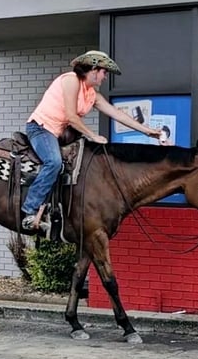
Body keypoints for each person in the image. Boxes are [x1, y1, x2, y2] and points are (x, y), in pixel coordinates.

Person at [21, 50, 162, 232]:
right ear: (94, 69)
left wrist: (147, 131)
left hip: (59, 134)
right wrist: (93, 135)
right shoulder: (71, 80)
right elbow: (71, 116)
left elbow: (116, 113)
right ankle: (29, 210)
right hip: (40, 128)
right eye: (104, 72)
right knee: (54, 162)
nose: (105, 77)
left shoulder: (91, 94)